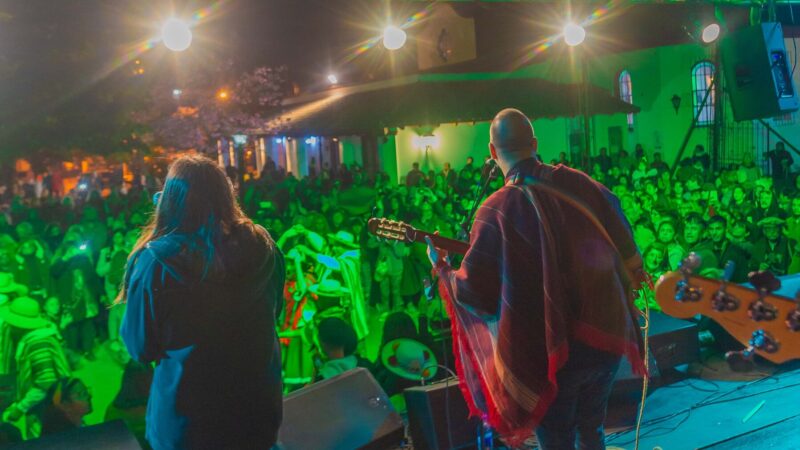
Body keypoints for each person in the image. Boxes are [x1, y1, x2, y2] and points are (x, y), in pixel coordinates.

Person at [426, 109, 645, 448]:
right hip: (605, 337)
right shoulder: (579, 183)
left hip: (554, 355)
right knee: (592, 431)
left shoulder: (496, 209)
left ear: (493, 152)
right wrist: (633, 269)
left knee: (557, 442)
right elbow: (623, 234)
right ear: (535, 143)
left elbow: (474, 292)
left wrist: (442, 269)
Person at [120, 155, 285, 450]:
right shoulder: (262, 245)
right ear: (226, 193)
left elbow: (140, 347)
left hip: (190, 423)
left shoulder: (156, 261)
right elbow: (275, 314)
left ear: (170, 200)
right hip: (257, 413)